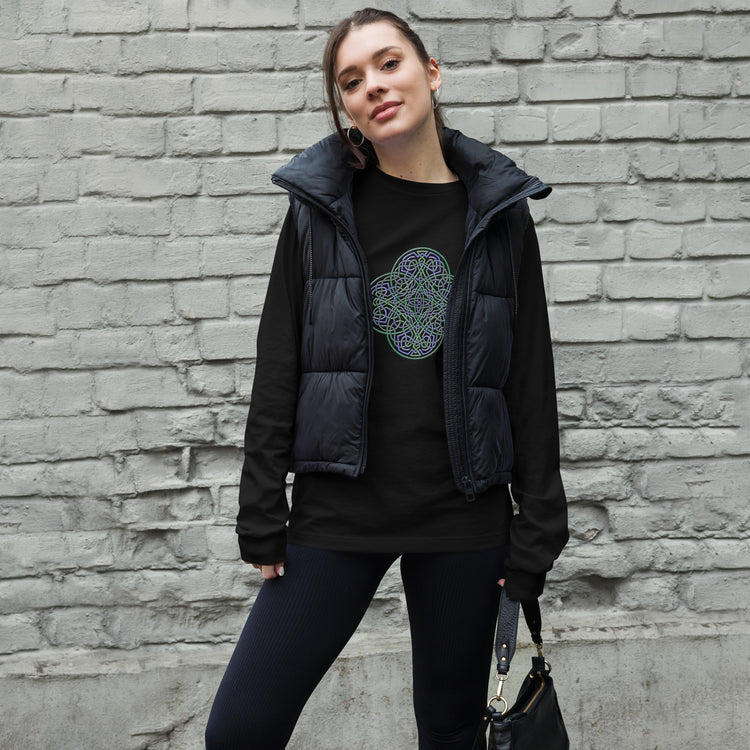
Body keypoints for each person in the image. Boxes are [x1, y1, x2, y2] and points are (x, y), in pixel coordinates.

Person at [205, 7, 568, 749]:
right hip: (339, 511)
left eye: (389, 63)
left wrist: (537, 533)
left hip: (464, 518)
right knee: (240, 730)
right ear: (344, 107)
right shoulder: (318, 210)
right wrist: (261, 502)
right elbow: (281, 359)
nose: (374, 85)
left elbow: (530, 382)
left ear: (430, 72)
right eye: (351, 80)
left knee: (451, 732)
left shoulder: (498, 215)